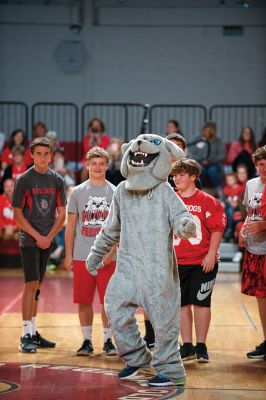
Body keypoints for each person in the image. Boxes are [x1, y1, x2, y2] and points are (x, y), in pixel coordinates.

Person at [86, 134, 196, 387]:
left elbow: (181, 216)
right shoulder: (122, 192)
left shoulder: (164, 190)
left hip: (157, 271)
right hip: (127, 267)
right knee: (113, 306)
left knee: (164, 321)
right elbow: (110, 228)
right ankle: (136, 357)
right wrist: (96, 254)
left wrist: (186, 225)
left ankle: (170, 370)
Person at [12, 137, 67, 353]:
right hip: (29, 240)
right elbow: (17, 214)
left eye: (47, 154)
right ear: (32, 155)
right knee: (31, 284)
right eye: (39, 154)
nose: (43, 157)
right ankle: (25, 334)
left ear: (51, 156)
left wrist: (49, 237)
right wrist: (37, 236)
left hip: (46, 240)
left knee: (39, 286)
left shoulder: (57, 180)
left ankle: (33, 332)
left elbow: (61, 213)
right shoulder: (24, 180)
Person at [172, 158, 226, 362]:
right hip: (176, 262)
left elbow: (217, 228)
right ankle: (187, 346)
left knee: (201, 303)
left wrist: (212, 253)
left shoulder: (207, 201)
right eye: (175, 175)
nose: (177, 178)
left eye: (182, 175)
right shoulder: (171, 200)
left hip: (202, 261)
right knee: (181, 305)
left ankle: (201, 345)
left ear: (193, 176)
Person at [65, 147, 117, 356]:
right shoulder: (77, 192)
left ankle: (108, 341)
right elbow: (70, 226)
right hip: (82, 256)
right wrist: (68, 254)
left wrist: (111, 253)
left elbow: (118, 227)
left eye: (101, 164)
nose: (97, 167)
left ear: (106, 166)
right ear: (87, 166)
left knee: (108, 302)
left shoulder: (114, 192)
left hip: (108, 257)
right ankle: (86, 340)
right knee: (84, 300)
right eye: (93, 163)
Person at [239, 146, 266, 360]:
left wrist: (263, 225)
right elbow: (250, 213)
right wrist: (243, 228)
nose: (263, 169)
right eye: (260, 165)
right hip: (254, 249)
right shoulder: (251, 184)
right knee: (260, 297)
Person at [190, 122, 225, 199]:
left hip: (214, 163)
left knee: (212, 170)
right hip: (199, 162)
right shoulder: (197, 139)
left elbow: (222, 155)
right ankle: (197, 191)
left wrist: (212, 160)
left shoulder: (218, 141)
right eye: (205, 130)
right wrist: (200, 159)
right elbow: (191, 152)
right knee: (201, 170)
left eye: (209, 131)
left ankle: (220, 192)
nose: (206, 133)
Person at [223, 172, 245, 241]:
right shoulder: (227, 188)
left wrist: (237, 203)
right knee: (228, 210)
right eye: (228, 180)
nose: (229, 182)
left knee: (231, 211)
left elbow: (242, 198)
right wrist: (226, 202)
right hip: (229, 207)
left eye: (231, 180)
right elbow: (225, 199)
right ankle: (227, 230)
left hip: (238, 207)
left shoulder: (239, 188)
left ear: (235, 180)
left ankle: (230, 230)